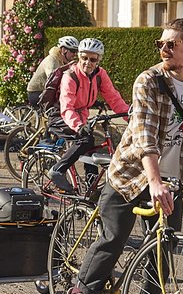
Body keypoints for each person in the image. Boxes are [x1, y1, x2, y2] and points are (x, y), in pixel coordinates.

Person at [63, 19, 183, 294]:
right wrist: (154, 182)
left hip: (173, 176)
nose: (163, 49)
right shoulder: (148, 81)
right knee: (114, 237)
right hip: (132, 173)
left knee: (164, 243)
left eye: (171, 44)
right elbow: (145, 137)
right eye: (160, 43)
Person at [46, 37, 130, 193]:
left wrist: (129, 116)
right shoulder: (70, 76)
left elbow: (113, 97)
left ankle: (90, 189)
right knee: (86, 139)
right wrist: (78, 126)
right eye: (84, 58)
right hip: (60, 116)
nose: (88, 63)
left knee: (91, 147)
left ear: (98, 60)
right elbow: (67, 107)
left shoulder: (100, 75)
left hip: (81, 116)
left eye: (93, 59)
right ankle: (57, 170)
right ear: (79, 56)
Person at [26, 35, 79, 105]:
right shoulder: (52, 60)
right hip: (36, 93)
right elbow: (53, 79)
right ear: (63, 50)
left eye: (76, 51)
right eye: (72, 51)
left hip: (47, 92)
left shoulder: (63, 62)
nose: (75, 54)